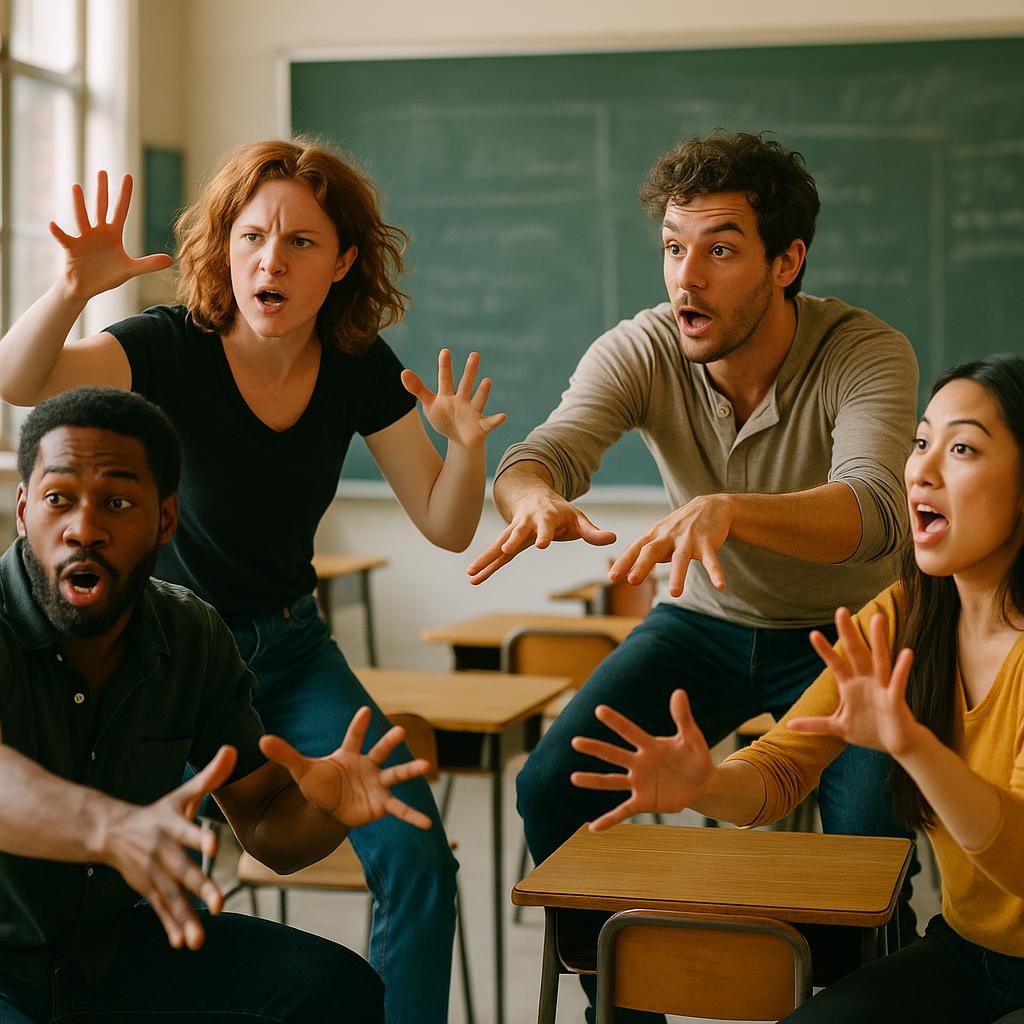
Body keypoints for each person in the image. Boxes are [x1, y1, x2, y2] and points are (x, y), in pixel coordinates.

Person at [0, 139, 505, 1023]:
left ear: (344, 261)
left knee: (416, 850)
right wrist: (73, 288)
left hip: (290, 647)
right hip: (170, 656)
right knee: (171, 891)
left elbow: (446, 520)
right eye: (252, 235)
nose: (271, 259)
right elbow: (17, 383)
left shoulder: (356, 363)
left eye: (302, 242)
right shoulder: (167, 345)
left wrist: (466, 452)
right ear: (223, 247)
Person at [467, 129, 919, 1019]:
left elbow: (875, 511)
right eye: (675, 248)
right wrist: (531, 499)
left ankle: (860, 993)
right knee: (551, 782)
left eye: (719, 250)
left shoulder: (866, 351)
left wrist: (734, 508)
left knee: (869, 844)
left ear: (787, 261)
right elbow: (539, 453)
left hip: (854, 638)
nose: (686, 278)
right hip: (707, 624)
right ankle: (626, 1006)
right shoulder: (642, 347)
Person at [572, 353, 1024, 1024]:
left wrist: (914, 746)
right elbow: (784, 766)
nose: (921, 470)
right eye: (922, 441)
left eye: (961, 448)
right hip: (968, 954)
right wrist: (706, 785)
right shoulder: (906, 614)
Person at [0, 386, 439, 1023]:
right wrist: (110, 827)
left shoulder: (189, 635)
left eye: (118, 502)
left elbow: (266, 826)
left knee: (334, 990)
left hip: (108, 953)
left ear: (165, 520)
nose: (84, 528)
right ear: (22, 510)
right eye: (58, 499)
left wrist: (327, 808)